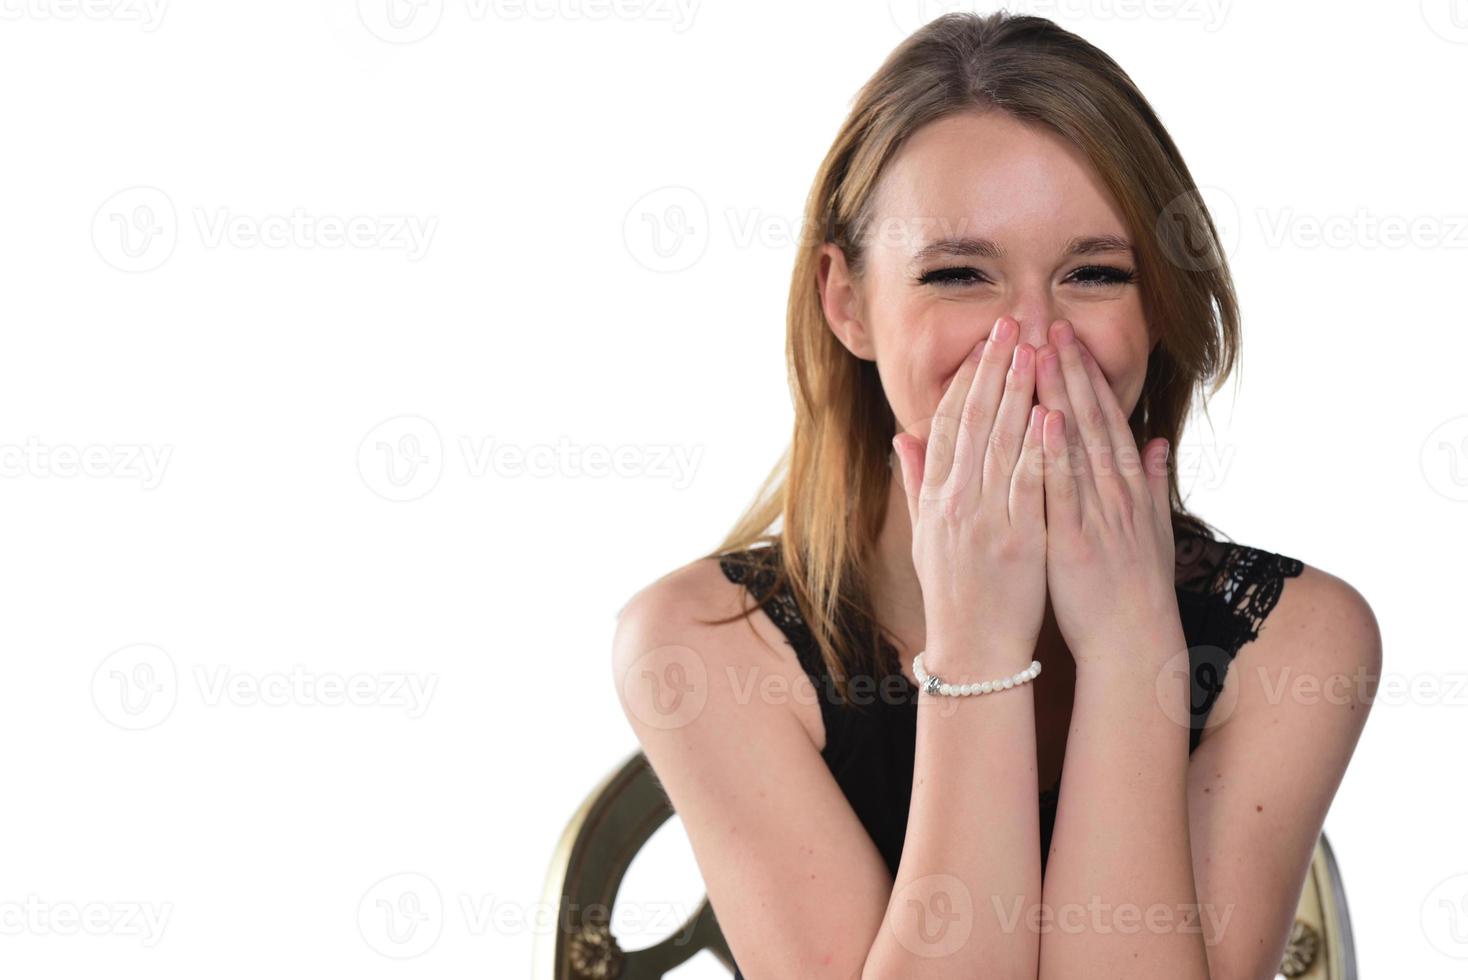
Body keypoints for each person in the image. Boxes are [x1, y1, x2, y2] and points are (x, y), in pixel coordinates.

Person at [612, 11, 1380, 979]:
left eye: (1094, 272)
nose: (1027, 336)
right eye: (958, 273)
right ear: (846, 301)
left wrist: (1128, 646)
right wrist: (975, 645)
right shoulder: (700, 643)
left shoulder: (1302, 638)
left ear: (1160, 309)